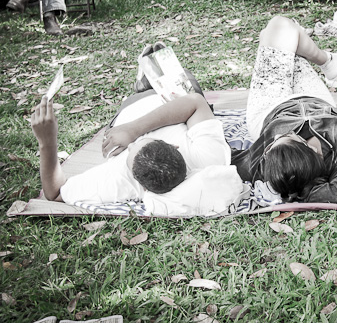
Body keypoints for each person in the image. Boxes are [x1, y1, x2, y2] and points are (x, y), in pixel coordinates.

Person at [31, 51, 231, 208]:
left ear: (141, 186)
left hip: (134, 105)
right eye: (138, 143)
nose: (130, 145)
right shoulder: (210, 158)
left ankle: (143, 82)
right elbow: (195, 102)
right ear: (174, 146)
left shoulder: (119, 180)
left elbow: (55, 193)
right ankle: (155, 71)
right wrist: (133, 131)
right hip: (174, 103)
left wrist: (47, 142)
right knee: (189, 83)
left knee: (149, 84)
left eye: (130, 152)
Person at [231, 16, 337, 204]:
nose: (276, 136)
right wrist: (303, 188)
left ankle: (328, 60)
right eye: (288, 136)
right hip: (316, 99)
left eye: (272, 145)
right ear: (311, 149)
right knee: (282, 32)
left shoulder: (266, 163)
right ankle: (327, 61)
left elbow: (223, 156)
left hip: (269, 107)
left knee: (277, 31)